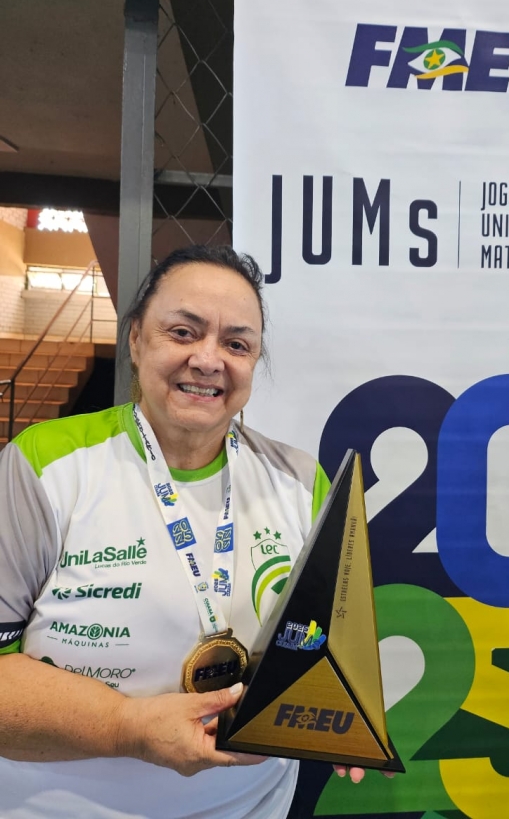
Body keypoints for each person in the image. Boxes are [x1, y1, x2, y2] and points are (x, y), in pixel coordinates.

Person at [0, 244, 370, 819]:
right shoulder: (45, 465)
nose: (208, 359)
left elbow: (323, 645)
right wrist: (125, 726)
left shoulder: (301, 482)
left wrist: (343, 711)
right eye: (183, 332)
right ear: (136, 340)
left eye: (237, 344)